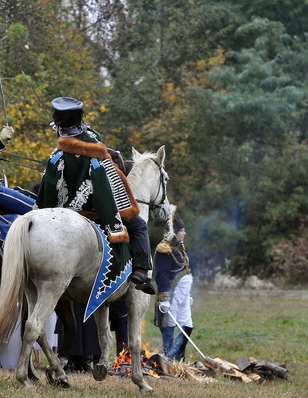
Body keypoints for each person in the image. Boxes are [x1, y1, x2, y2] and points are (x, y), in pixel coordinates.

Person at [36, 97, 156, 295]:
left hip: (62, 213)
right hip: (94, 214)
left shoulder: (55, 157)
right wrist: (114, 223)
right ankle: (142, 272)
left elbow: (46, 197)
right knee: (139, 225)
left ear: (59, 128)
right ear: (81, 123)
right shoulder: (97, 152)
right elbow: (105, 191)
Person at [154, 211, 193, 361]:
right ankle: (168, 357)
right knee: (170, 323)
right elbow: (162, 274)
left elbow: (184, 270)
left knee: (187, 324)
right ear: (174, 233)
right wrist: (164, 298)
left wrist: (188, 295)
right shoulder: (164, 249)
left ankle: (178, 357)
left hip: (183, 295)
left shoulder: (179, 247)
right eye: (181, 231)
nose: (184, 233)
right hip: (172, 293)